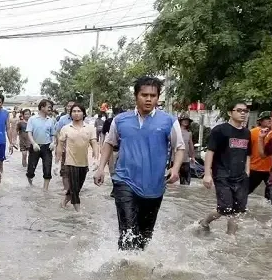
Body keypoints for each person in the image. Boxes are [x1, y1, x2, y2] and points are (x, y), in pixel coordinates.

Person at [93, 76, 184, 251]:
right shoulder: (120, 120)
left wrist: (175, 168)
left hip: (154, 186)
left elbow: (179, 147)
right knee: (128, 231)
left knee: (144, 236)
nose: (149, 99)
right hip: (124, 180)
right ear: (136, 96)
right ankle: (125, 271)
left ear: (158, 97)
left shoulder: (169, 121)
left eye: (153, 95)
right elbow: (109, 143)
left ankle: (139, 271)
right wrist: (100, 169)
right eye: (144, 95)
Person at [199, 102, 251, 235]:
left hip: (240, 176)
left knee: (238, 209)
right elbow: (210, 152)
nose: (243, 113)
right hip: (222, 175)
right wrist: (207, 174)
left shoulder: (246, 133)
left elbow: (248, 154)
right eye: (239, 110)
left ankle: (231, 236)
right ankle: (205, 221)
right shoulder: (220, 130)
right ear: (230, 112)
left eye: (245, 110)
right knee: (225, 208)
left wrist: (247, 171)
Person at [56, 103, 98, 210]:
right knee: (75, 190)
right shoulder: (66, 128)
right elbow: (60, 145)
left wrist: (96, 159)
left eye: (79, 111)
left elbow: (94, 143)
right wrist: (56, 163)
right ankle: (79, 215)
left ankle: (63, 203)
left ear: (83, 113)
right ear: (71, 114)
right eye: (74, 111)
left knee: (77, 188)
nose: (76, 113)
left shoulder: (90, 128)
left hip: (84, 163)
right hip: (70, 162)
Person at [25, 99, 55, 190]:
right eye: (48, 107)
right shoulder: (32, 119)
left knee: (47, 168)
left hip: (47, 147)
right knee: (31, 169)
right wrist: (33, 144)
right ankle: (30, 185)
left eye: (51, 107)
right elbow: (29, 133)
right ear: (42, 107)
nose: (50, 109)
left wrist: (53, 142)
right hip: (35, 146)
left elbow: (52, 134)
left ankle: (45, 190)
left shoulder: (51, 120)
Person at [248, 111, 272, 200]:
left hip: (271, 169)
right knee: (245, 191)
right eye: (267, 119)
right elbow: (247, 150)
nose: (269, 120)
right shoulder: (252, 132)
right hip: (255, 168)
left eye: (271, 118)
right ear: (260, 121)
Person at [178, 114, 194, 185]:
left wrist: (193, 156)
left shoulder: (189, 133)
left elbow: (191, 145)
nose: (186, 122)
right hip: (175, 160)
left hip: (186, 160)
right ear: (180, 121)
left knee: (186, 183)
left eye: (187, 121)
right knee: (171, 182)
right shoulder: (175, 131)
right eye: (184, 120)